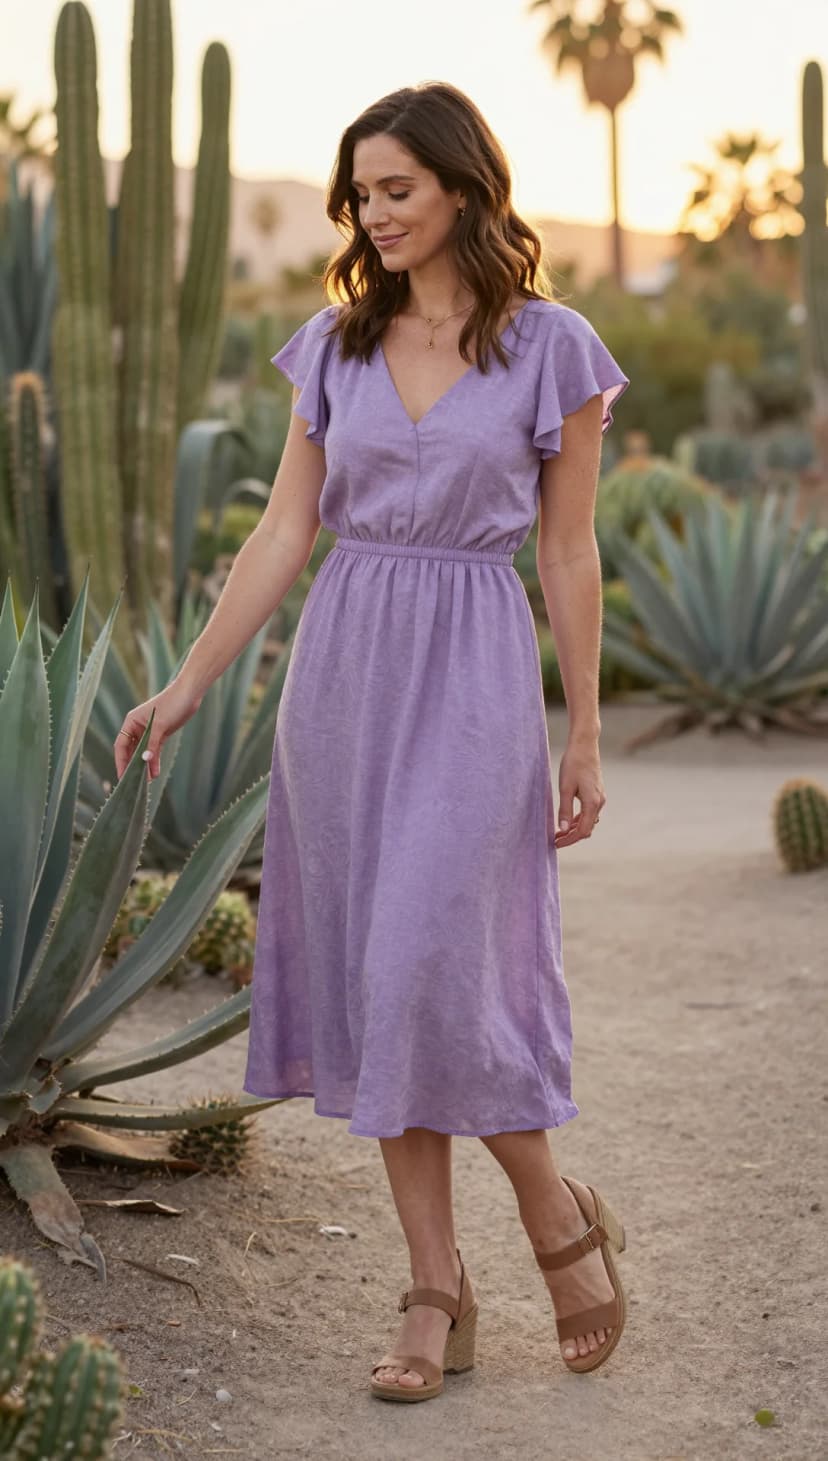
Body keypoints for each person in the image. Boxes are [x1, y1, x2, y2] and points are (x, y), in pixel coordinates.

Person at [115, 80, 631, 1402]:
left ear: (463, 186)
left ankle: (551, 1213)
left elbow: (569, 549)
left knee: (428, 969)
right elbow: (285, 533)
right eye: (360, 193)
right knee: (381, 982)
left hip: (470, 675)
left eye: (396, 187)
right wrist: (184, 685)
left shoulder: (552, 346)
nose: (373, 212)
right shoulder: (332, 349)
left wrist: (583, 728)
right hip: (342, 683)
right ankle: (430, 1282)